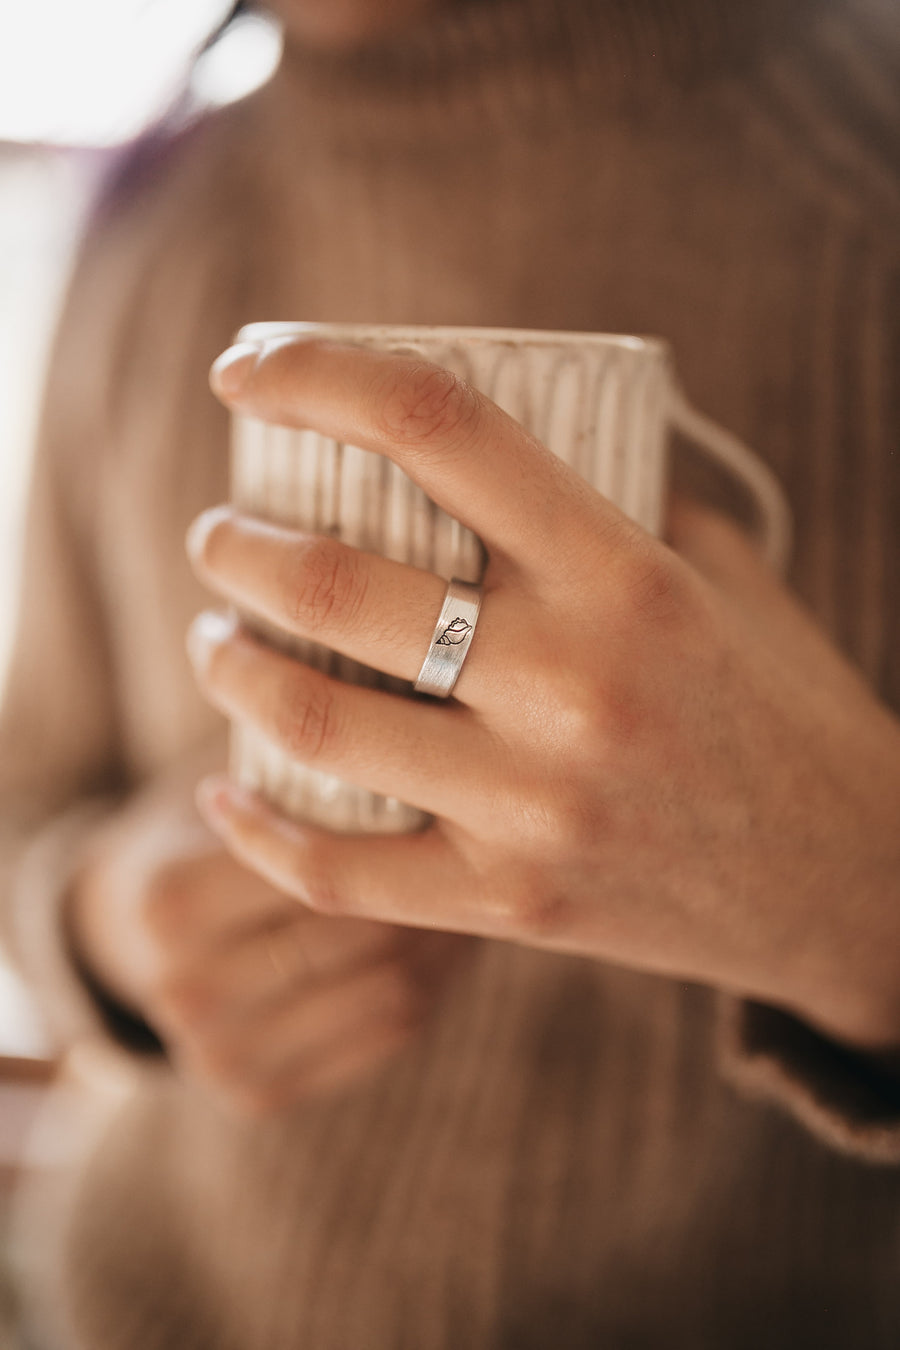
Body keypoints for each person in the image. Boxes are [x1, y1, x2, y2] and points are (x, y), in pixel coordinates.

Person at [2, 0, 899, 1345]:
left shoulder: (867, 148)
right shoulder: (159, 196)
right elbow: (35, 786)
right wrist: (110, 932)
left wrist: (861, 894)